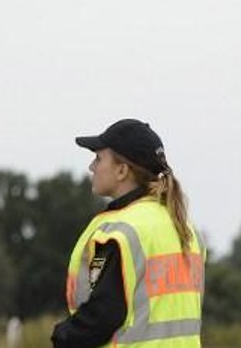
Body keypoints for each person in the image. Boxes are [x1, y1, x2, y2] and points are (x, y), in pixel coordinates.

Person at [52, 119, 204, 348]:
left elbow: (103, 315)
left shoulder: (120, 233)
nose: (91, 167)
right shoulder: (187, 229)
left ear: (122, 170)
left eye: (98, 158)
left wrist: (62, 336)